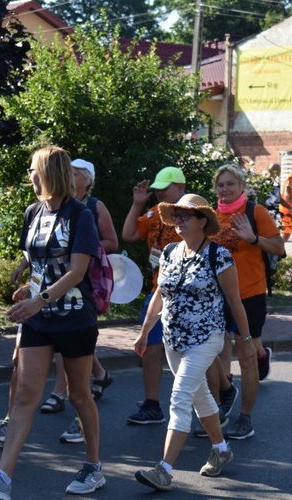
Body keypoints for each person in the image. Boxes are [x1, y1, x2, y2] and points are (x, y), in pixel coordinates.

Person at [0, 146, 105, 499]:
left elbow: (78, 270)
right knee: (24, 394)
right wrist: (31, 288)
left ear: (48, 173)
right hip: (40, 318)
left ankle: (93, 466)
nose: (29, 175)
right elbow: (42, 265)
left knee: (79, 394)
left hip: (74, 319)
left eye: (33, 169)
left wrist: (40, 299)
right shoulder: (32, 212)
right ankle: (2, 477)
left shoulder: (79, 215)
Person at [133, 194, 248, 491]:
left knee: (180, 397)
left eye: (186, 215)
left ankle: (164, 469)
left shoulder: (218, 255)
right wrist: (145, 332)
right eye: (177, 215)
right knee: (200, 397)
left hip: (207, 337)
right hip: (173, 337)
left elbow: (235, 300)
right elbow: (159, 295)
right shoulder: (170, 251)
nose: (179, 220)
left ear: (201, 221)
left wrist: (245, 340)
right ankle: (221, 450)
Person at [36, 158, 119, 444]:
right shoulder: (50, 207)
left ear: (86, 179)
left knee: (73, 344)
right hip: (51, 290)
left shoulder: (92, 207)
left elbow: (112, 241)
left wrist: (82, 248)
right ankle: (79, 384)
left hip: (83, 285)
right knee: (65, 346)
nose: (68, 176)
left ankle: (74, 407)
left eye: (74, 173)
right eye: (67, 172)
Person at [209, 163, 285, 439]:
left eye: (231, 184)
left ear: (241, 186)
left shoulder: (255, 212)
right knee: (212, 353)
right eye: (221, 185)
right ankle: (222, 399)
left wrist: (253, 239)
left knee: (246, 356)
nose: (225, 189)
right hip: (217, 295)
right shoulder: (211, 215)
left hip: (249, 294)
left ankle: (245, 418)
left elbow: (279, 247)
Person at [121, 166, 186, 424]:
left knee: (192, 350)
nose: (160, 194)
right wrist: (137, 204)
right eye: (157, 189)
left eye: (165, 189)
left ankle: (218, 397)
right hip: (158, 290)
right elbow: (128, 235)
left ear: (180, 187)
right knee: (149, 345)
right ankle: (152, 404)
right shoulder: (152, 214)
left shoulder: (193, 213)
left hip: (187, 294)